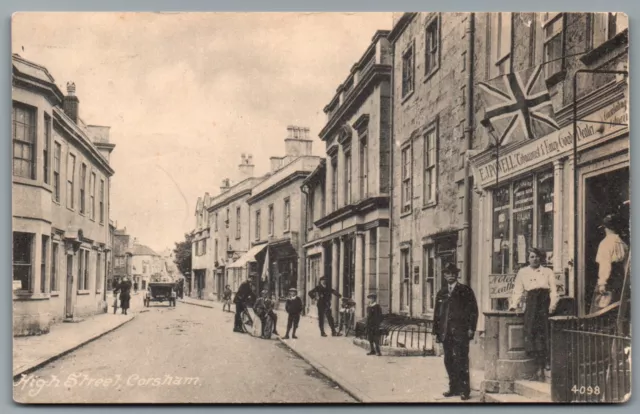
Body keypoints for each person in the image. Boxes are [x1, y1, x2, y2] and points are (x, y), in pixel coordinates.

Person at [509, 247, 558, 382]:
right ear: (527, 259)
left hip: (544, 302)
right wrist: (514, 305)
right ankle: (536, 366)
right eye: (531, 257)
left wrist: (552, 305)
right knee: (531, 332)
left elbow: (553, 290)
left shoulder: (547, 271)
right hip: (531, 302)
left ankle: (546, 362)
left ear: (540, 258)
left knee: (545, 332)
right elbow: (518, 289)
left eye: (536, 256)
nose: (534, 259)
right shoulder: (523, 272)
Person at [434, 263, 478, 401]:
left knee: (462, 359)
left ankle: (465, 390)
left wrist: (471, 328)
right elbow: (437, 314)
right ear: (444, 275)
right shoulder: (441, 292)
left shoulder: (465, 290)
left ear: (457, 274)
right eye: (448, 273)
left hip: (461, 331)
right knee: (448, 360)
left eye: (453, 273)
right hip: (446, 332)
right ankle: (453, 388)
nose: (451, 275)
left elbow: (473, 311)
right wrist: (436, 332)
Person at [591, 214, 629, 312]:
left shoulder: (605, 243)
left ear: (606, 228)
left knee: (601, 310)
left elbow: (605, 265)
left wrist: (602, 283)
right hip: (620, 281)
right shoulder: (623, 243)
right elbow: (626, 266)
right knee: (617, 309)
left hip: (609, 281)